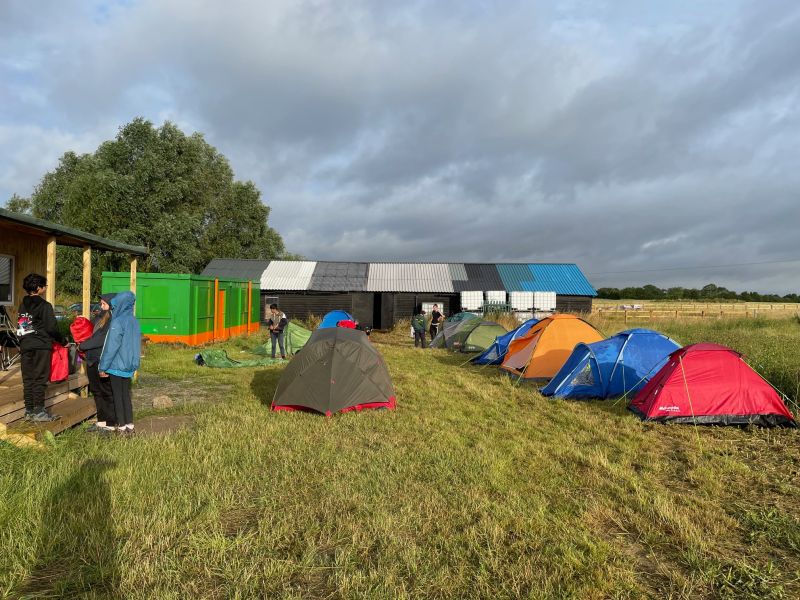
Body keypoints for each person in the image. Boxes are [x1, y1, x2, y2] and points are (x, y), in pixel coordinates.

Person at [16, 273, 67, 421]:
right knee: (39, 378)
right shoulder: (45, 305)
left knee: (28, 379)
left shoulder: (23, 304)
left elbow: (22, 326)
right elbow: (52, 328)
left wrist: (23, 341)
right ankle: (39, 412)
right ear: (39, 288)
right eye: (44, 286)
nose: (45, 288)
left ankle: (29, 411)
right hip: (41, 345)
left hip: (26, 344)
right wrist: (63, 341)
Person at [98, 291, 141, 435]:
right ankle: (130, 426)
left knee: (117, 396)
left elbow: (111, 347)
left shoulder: (117, 321)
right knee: (126, 396)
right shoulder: (134, 320)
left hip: (116, 365)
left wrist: (103, 366)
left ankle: (121, 427)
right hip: (129, 365)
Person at [78, 293, 117, 433]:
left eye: (104, 304)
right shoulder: (98, 318)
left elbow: (101, 339)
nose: (101, 306)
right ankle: (101, 422)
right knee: (96, 392)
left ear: (111, 304)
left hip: (103, 360)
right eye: (100, 303)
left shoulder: (113, 320)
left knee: (107, 392)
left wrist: (83, 346)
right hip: (91, 359)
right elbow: (89, 333)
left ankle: (111, 424)